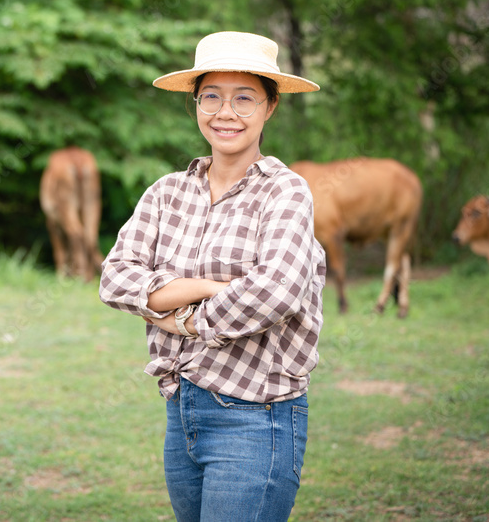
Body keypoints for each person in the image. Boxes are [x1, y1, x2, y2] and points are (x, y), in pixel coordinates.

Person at [99, 31, 326, 522]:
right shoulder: (166, 193)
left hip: (256, 416)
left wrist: (177, 317)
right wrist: (207, 289)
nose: (226, 113)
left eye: (245, 98)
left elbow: (277, 291)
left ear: (271, 107)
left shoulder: (285, 193)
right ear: (195, 105)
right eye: (212, 97)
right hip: (182, 411)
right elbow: (115, 278)